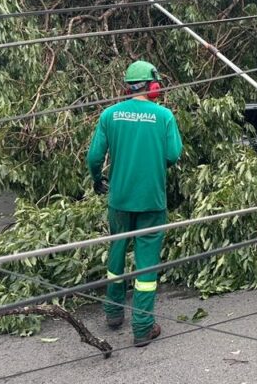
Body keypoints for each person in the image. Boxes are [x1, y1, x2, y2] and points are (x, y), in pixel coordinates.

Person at [87, 60, 183, 348]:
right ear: (153, 85)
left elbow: (94, 157)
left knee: (116, 254)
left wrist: (97, 179)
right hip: (152, 201)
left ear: (126, 87)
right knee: (146, 265)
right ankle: (142, 327)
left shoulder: (109, 115)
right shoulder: (164, 116)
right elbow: (174, 154)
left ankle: (113, 312)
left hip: (119, 199)